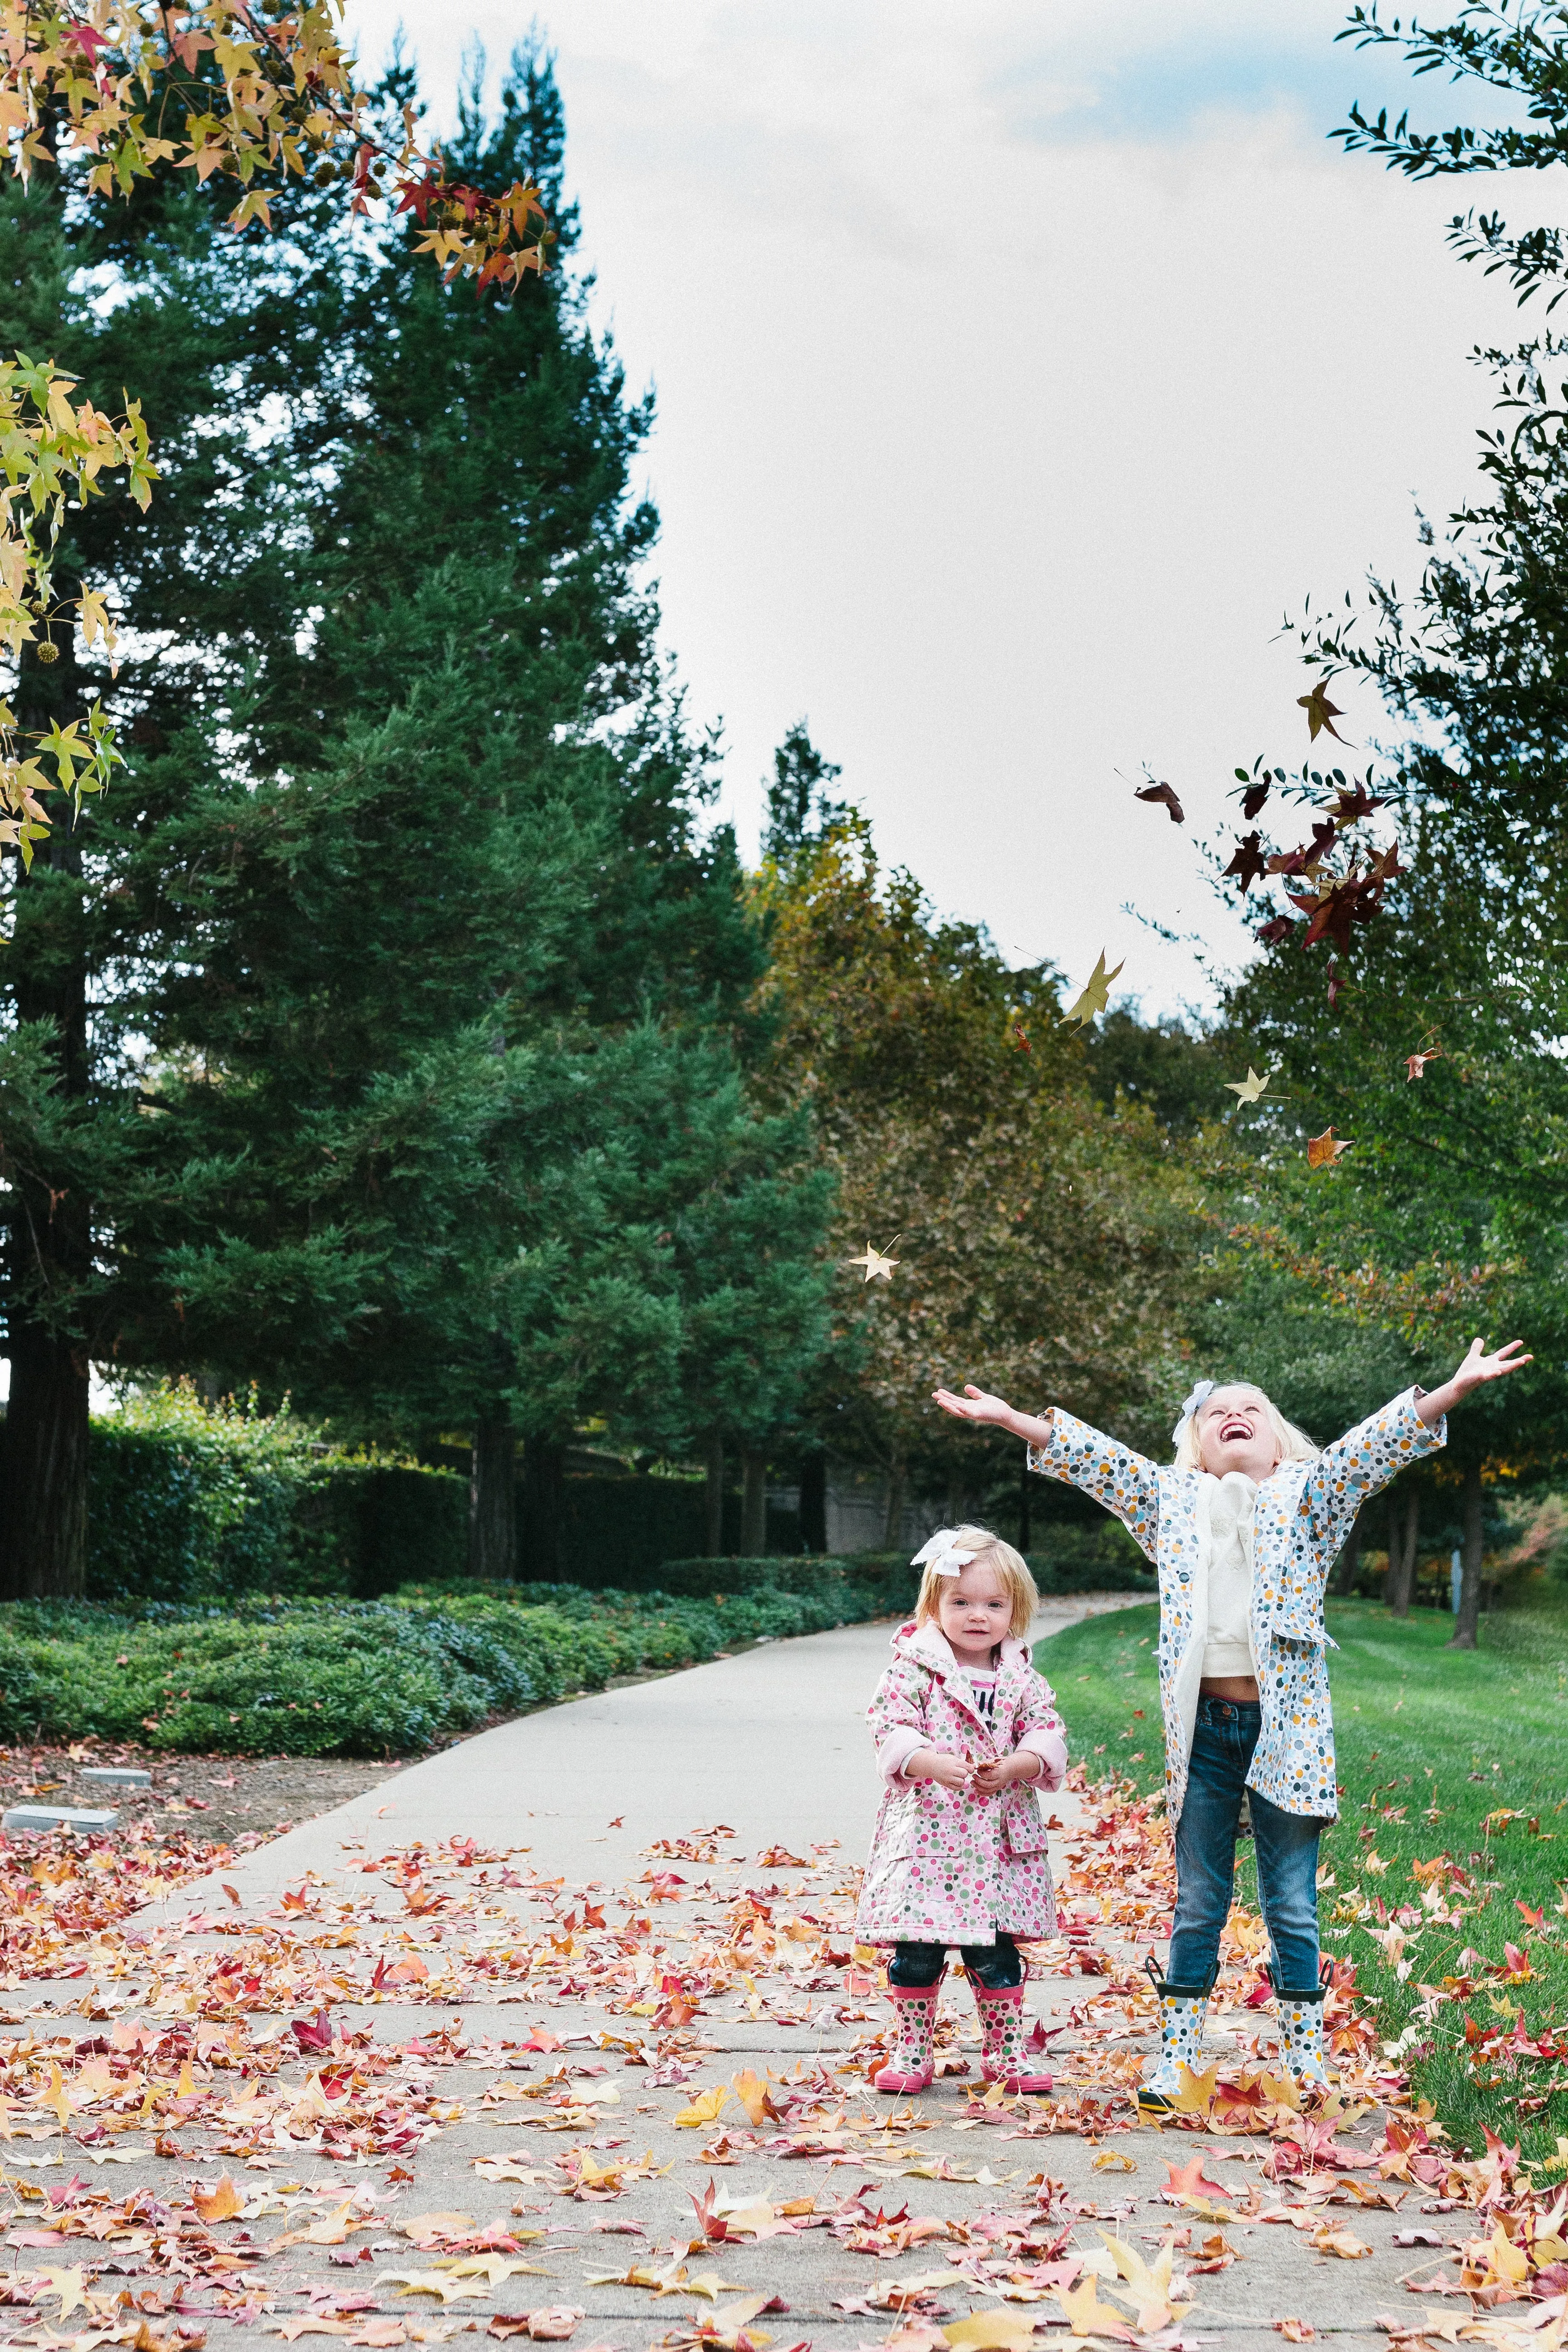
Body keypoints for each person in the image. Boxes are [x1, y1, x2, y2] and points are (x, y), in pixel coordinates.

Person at [932, 1338, 1530, 2107]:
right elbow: (1098, 1459)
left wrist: (1450, 1390)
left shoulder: (1312, 1493)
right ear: (1198, 1443)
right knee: (1199, 1897)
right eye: (1218, 1412)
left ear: (1280, 1441)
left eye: (1253, 1410)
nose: (1235, 1416)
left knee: (1289, 1899)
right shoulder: (1171, 1500)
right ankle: (1178, 2056)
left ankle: (1305, 2061)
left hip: (1287, 1729)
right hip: (1204, 1732)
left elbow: (1373, 1447)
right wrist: (1014, 1418)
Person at [856, 1524, 1067, 2097]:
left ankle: (1004, 2051)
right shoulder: (913, 1669)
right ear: (934, 1606)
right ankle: (912, 2047)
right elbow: (889, 1724)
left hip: (996, 1845)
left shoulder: (1021, 1676)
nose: (979, 1616)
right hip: (931, 1838)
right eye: (962, 1602)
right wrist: (923, 1759)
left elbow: (1047, 1730)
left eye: (994, 1604)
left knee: (994, 1951)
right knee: (916, 1951)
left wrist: (1021, 1764)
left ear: (1015, 1610)